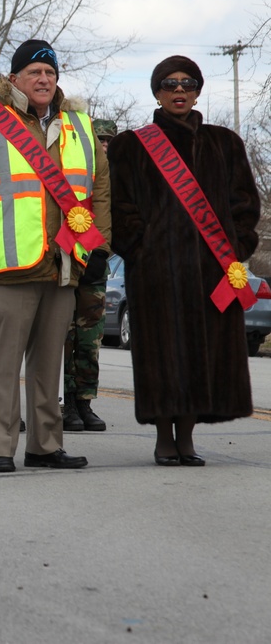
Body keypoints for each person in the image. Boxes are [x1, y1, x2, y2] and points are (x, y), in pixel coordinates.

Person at [0, 40, 110, 472]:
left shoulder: (81, 126)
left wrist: (99, 248)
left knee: (49, 365)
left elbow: (100, 195)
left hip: (64, 267)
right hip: (8, 268)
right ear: (14, 78)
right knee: (3, 366)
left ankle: (44, 446)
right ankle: (2, 448)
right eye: (34, 72)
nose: (43, 79)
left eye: (50, 73)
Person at [108, 55, 261, 466]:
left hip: (213, 272)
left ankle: (187, 437)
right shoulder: (130, 145)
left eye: (187, 83)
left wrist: (236, 248)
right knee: (161, 356)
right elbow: (117, 209)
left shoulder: (225, 143)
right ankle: (163, 438)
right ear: (157, 91)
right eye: (170, 83)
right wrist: (143, 250)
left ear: (197, 90)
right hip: (156, 274)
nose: (179, 90)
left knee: (203, 353)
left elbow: (246, 206)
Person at [60, 117, 118, 433]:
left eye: (109, 140)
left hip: (95, 265)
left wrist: (103, 251)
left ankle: (85, 402)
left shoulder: (111, 178)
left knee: (89, 339)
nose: (104, 145)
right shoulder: (73, 175)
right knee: (66, 336)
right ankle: (67, 403)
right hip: (67, 260)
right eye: (100, 139)